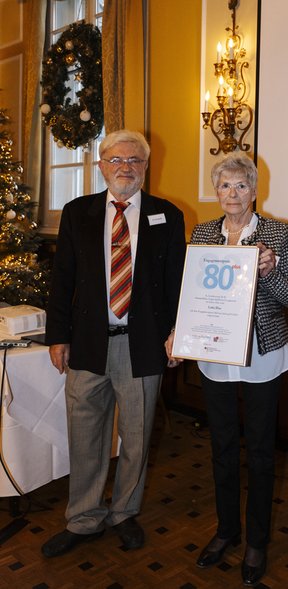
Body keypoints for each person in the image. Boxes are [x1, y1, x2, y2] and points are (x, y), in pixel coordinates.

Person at [42, 129, 186, 557]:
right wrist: (57, 336)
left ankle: (125, 512)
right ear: (102, 165)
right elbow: (62, 278)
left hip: (142, 346)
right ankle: (83, 517)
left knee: (137, 436)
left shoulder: (168, 215)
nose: (126, 167)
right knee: (85, 434)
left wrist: (177, 335)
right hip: (87, 344)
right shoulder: (77, 212)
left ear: (146, 167)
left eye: (135, 161)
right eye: (117, 160)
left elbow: (177, 282)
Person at [166, 153, 288, 586]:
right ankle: (226, 530)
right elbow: (192, 292)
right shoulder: (204, 232)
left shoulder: (278, 233)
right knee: (222, 447)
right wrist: (178, 334)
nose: (232, 194)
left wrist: (268, 270)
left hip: (262, 355)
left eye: (241, 186)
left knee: (261, 452)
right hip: (214, 354)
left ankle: (257, 541)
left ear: (254, 190)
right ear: (217, 191)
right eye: (225, 186)